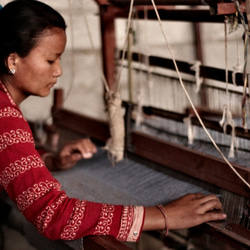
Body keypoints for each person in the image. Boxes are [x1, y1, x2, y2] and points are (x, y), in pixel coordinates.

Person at [0, 0, 226, 243]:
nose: (59, 71)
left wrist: (49, 161)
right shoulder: (6, 118)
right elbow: (54, 216)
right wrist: (165, 215)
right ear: (13, 60)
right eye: (50, 60)